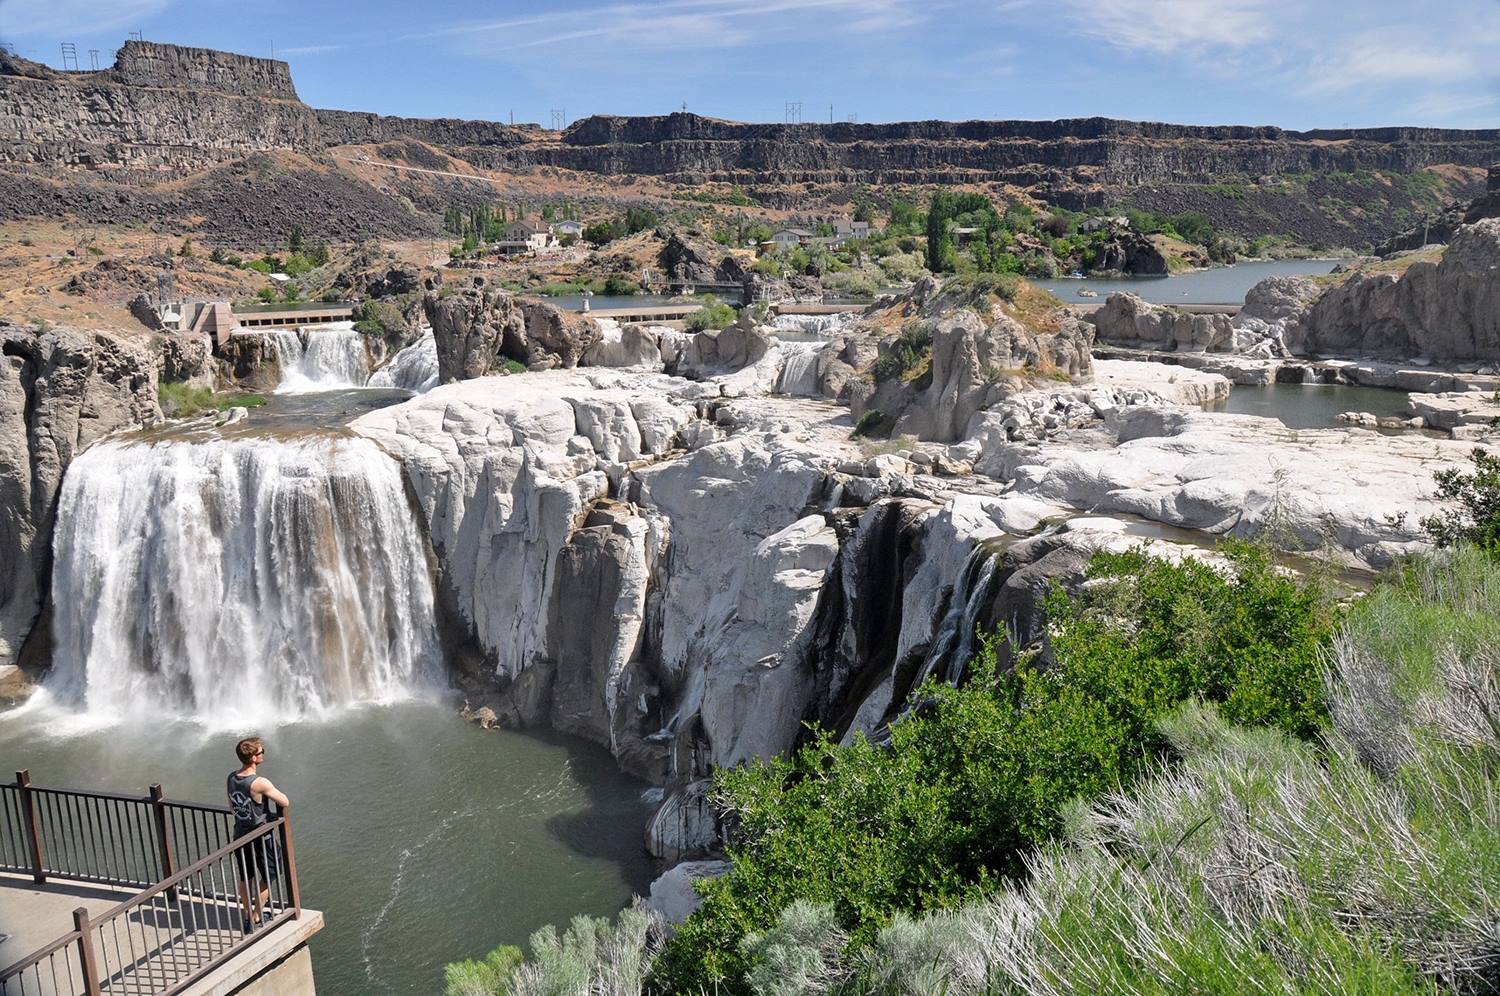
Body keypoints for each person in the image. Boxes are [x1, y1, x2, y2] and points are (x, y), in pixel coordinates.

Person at [227, 736, 290, 933]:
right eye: (262, 752)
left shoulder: (231, 777)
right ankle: (256, 914)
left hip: (240, 834)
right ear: (254, 758)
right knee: (271, 872)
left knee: (246, 877)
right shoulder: (259, 783)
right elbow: (285, 801)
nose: (263, 754)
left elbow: (232, 806)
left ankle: (246, 916)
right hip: (261, 837)